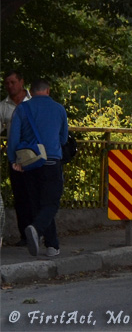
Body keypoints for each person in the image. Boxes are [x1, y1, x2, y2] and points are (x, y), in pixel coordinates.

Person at [7, 79, 70, 257]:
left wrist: (14, 160)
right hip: (51, 162)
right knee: (51, 203)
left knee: (36, 203)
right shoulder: (59, 109)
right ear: (48, 91)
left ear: (31, 92)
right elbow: (64, 138)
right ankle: (36, 230)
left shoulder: (22, 108)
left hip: (30, 163)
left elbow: (13, 138)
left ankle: (52, 245)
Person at [1, 71, 34, 247]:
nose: (10, 86)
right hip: (15, 158)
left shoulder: (34, 102)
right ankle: (25, 235)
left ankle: (39, 230)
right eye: (7, 83)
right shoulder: (3, 107)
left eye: (13, 82)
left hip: (35, 156)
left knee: (36, 194)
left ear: (21, 82)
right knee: (20, 197)